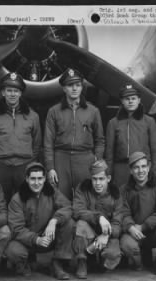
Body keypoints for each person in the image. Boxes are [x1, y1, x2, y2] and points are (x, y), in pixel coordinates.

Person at [5, 162, 75, 280]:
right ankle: (26, 261)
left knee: (70, 223)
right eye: (33, 179)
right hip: (28, 242)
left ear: (44, 179)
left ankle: (57, 263)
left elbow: (68, 207)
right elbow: (16, 229)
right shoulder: (17, 199)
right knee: (13, 251)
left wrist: (54, 221)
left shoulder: (52, 192)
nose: (36, 183)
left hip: (48, 237)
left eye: (39, 179)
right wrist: (36, 239)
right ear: (27, 179)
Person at [0, 72, 42, 203]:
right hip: (1, 167)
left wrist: (30, 162)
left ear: (20, 93)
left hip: (24, 166)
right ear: (3, 92)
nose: (12, 94)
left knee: (26, 202)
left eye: (16, 91)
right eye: (9, 90)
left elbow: (37, 144)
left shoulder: (33, 116)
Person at [44, 68, 105, 200]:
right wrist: (50, 168)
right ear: (64, 88)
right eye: (70, 85)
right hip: (61, 158)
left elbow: (100, 140)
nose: (74, 88)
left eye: (78, 85)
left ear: (82, 87)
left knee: (86, 198)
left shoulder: (93, 111)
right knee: (60, 198)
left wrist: (97, 159)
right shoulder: (54, 111)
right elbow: (48, 142)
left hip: (85, 159)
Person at [120, 152, 156, 275]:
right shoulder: (124, 190)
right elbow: (122, 212)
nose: (141, 171)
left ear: (148, 167)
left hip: (154, 232)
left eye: (143, 166)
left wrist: (144, 226)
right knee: (126, 244)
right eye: (136, 167)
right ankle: (138, 262)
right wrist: (130, 227)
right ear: (130, 170)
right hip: (135, 233)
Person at [72, 160, 123, 279]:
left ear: (108, 178)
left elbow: (118, 222)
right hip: (88, 232)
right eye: (94, 179)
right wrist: (98, 217)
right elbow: (77, 210)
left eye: (101, 179)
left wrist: (106, 235)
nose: (97, 183)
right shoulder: (83, 189)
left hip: (106, 235)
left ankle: (100, 262)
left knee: (112, 255)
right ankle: (82, 261)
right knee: (80, 224)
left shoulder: (115, 194)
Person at [105, 84, 156, 186]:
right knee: (121, 199)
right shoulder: (113, 123)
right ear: (122, 101)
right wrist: (108, 173)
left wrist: (155, 172)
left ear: (139, 100)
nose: (130, 101)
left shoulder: (149, 122)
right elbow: (109, 152)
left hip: (143, 169)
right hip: (121, 170)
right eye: (127, 99)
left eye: (133, 98)